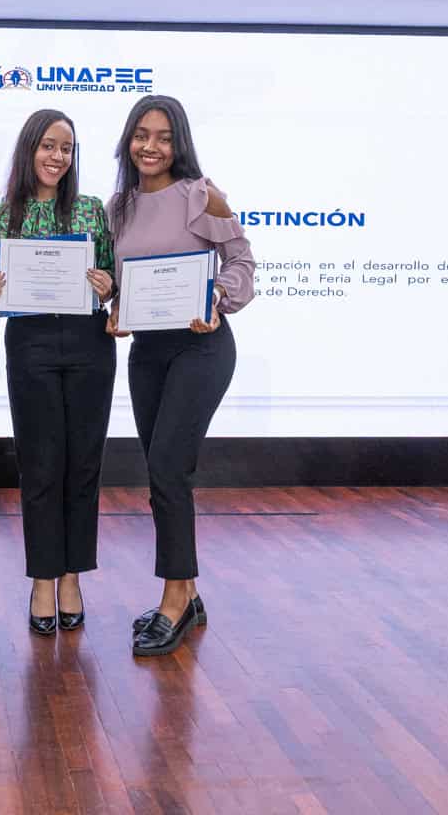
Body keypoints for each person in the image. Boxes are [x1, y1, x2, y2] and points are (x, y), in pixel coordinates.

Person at [105, 95, 255, 657]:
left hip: (202, 346)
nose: (151, 146)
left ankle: (172, 600)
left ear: (179, 143)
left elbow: (241, 261)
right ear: (128, 141)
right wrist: (115, 309)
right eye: (141, 135)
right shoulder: (116, 207)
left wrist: (219, 296)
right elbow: (121, 283)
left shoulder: (201, 194)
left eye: (164, 137)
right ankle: (188, 594)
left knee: (169, 466)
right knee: (162, 472)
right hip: (148, 352)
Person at [0, 109, 116, 636]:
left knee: (83, 465)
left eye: (67, 148)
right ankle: (42, 578)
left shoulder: (91, 210)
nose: (57, 156)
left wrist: (109, 286)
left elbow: (114, 281)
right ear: (29, 150)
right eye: (48, 146)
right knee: (40, 467)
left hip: (89, 345)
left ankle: (72, 578)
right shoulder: (0, 218)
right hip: (30, 346)